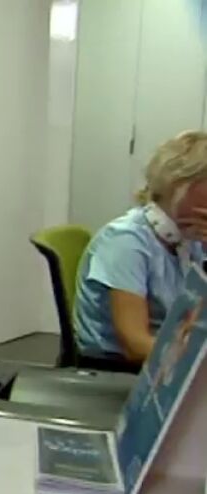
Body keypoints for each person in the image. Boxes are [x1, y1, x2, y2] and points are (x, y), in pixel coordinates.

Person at [75, 130, 207, 366]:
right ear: (176, 187)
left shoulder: (190, 239)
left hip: (168, 352)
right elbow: (135, 344)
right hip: (116, 366)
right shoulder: (125, 242)